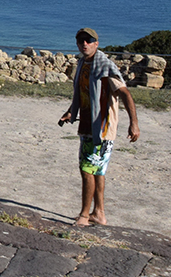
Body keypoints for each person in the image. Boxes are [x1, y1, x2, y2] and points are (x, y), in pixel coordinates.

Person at [59, 27, 140, 226]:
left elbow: (125, 94)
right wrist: (72, 111)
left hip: (102, 129)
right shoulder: (83, 64)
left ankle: (85, 216)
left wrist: (134, 123)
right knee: (97, 171)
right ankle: (99, 213)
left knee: (87, 170)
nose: (84, 44)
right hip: (87, 125)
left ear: (96, 43)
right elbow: (83, 92)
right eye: (80, 41)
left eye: (88, 40)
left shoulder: (105, 67)